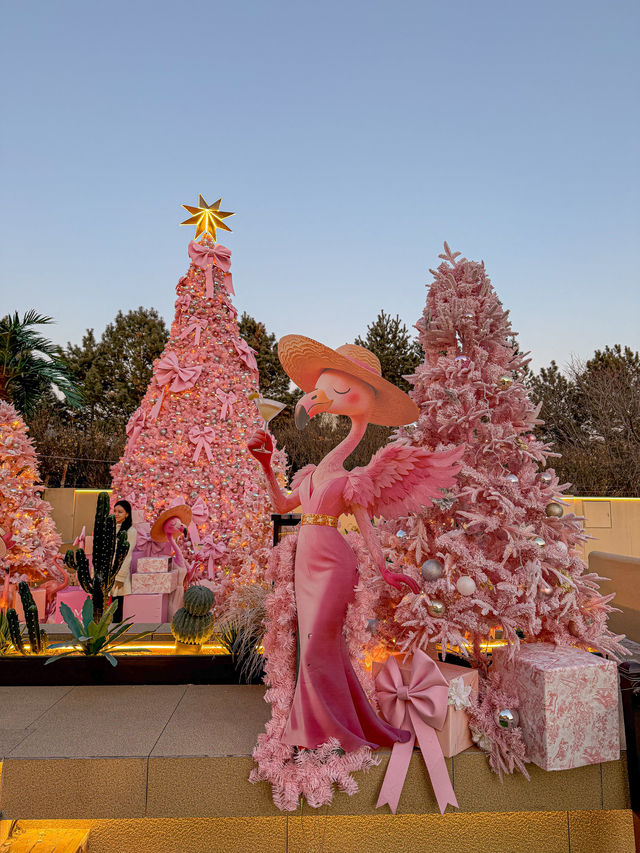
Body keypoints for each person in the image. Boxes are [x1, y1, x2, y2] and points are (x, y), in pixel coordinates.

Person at [248, 337, 463, 752]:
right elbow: (282, 505)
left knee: (318, 644)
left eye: (339, 393)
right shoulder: (313, 473)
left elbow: (365, 528)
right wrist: (266, 466)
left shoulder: (353, 480)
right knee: (312, 641)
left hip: (333, 562)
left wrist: (384, 569)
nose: (320, 400)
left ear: (361, 405)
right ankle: (326, 721)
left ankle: (324, 727)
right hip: (305, 562)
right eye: (322, 392)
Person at [112, 499, 137, 622]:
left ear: (127, 514)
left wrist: (120, 577)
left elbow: (127, 555)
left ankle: (115, 634)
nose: (116, 514)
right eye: (115, 511)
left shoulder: (131, 531)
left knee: (117, 605)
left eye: (120, 512)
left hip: (119, 572)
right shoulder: (109, 528)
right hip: (106, 572)